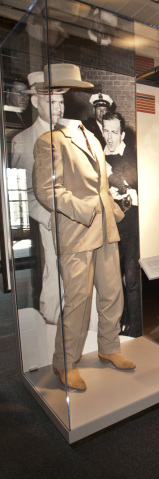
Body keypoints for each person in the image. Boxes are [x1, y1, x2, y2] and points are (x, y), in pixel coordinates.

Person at [32, 64, 135, 392]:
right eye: (61, 93)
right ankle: (64, 361)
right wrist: (87, 211)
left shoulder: (91, 136)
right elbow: (48, 190)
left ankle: (109, 347)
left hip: (105, 230)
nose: (68, 98)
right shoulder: (50, 141)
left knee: (112, 293)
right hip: (77, 232)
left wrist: (116, 212)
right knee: (77, 299)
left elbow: (100, 186)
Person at [11, 70, 67, 324]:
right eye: (51, 101)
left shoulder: (71, 134)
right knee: (55, 271)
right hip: (49, 221)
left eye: (61, 102)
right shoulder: (23, 141)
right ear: (35, 102)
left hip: (75, 218)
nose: (58, 108)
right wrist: (47, 218)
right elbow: (21, 191)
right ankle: (53, 323)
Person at [102, 112, 142, 337]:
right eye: (106, 130)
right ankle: (118, 322)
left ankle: (135, 328)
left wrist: (125, 189)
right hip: (109, 225)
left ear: (122, 133)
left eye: (114, 132)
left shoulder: (132, 155)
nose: (109, 136)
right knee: (112, 279)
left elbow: (138, 185)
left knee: (131, 279)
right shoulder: (98, 154)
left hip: (130, 226)